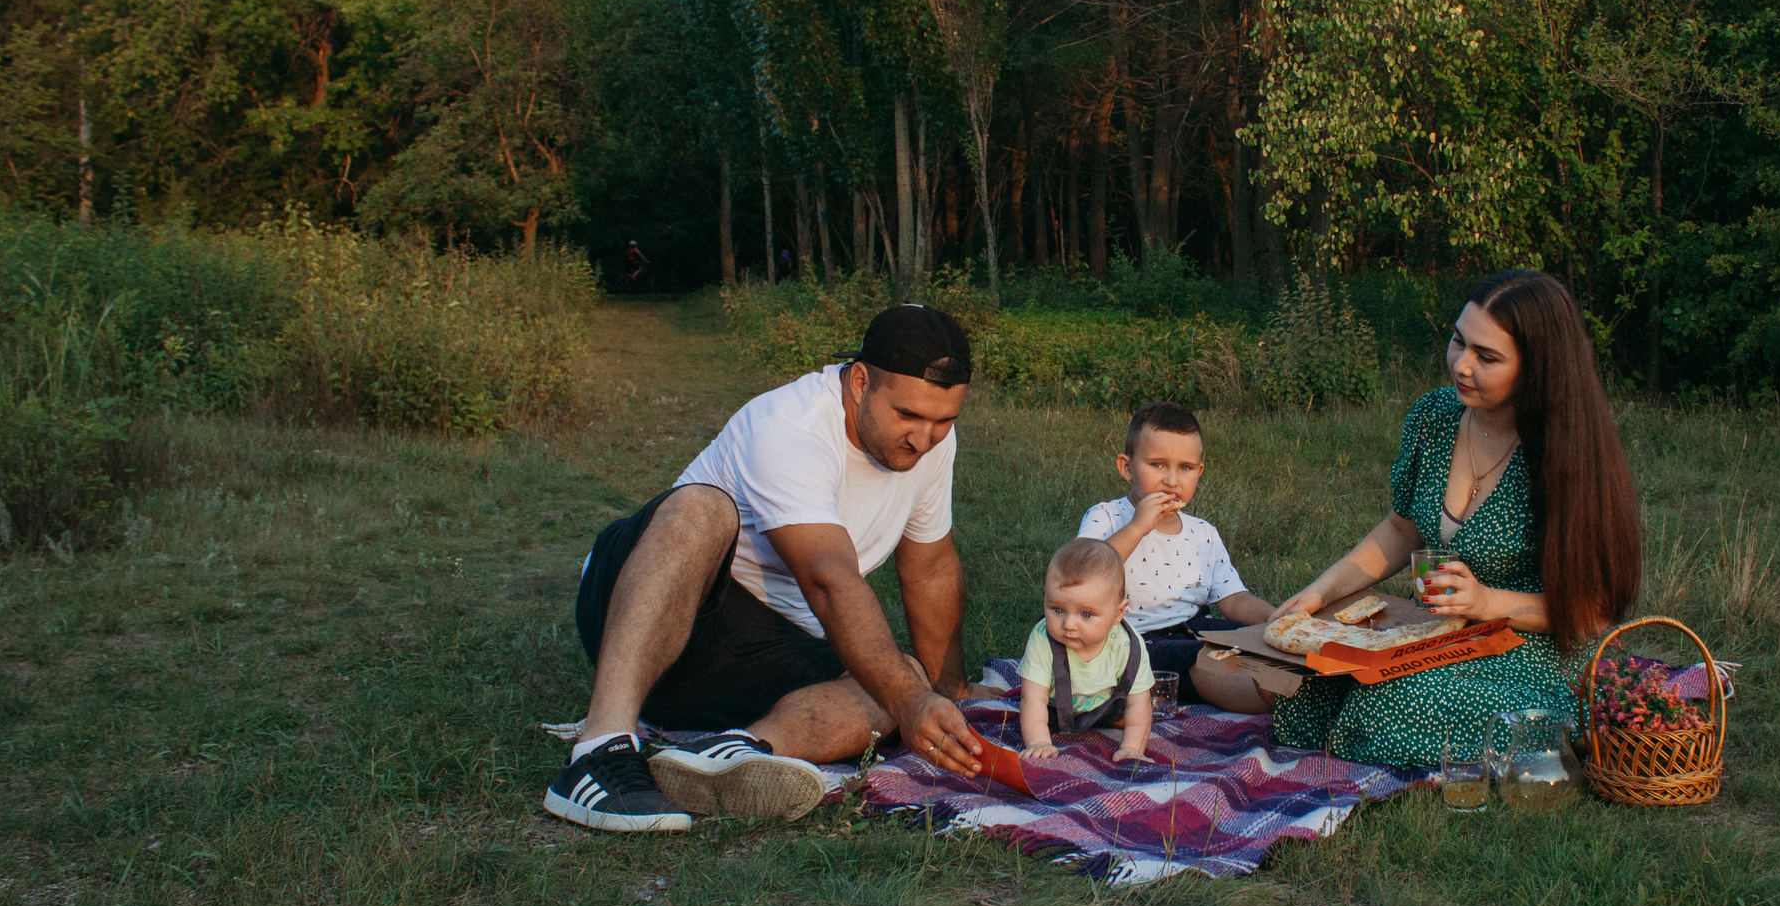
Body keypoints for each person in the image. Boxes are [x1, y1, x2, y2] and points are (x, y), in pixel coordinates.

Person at [546, 304, 992, 832]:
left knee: (900, 682)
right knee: (701, 508)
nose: (925, 438)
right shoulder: (789, 425)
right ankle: (599, 750)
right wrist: (914, 700)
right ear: (859, 380)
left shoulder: (933, 445)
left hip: (747, 653)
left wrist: (943, 691)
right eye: (909, 416)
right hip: (643, 604)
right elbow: (829, 578)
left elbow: (930, 566)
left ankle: (733, 754)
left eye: (944, 421)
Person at [1268, 271, 1643, 767]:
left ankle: (1551, 735)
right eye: (1458, 341)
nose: (1461, 365)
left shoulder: (1567, 453)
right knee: (1315, 686)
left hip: (1530, 650)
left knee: (1392, 698)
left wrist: (1487, 601)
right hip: (1437, 636)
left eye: (1486, 357)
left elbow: (1595, 610)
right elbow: (1401, 528)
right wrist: (1320, 592)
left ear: (1538, 368)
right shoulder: (1435, 417)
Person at [1074, 402, 1279, 714]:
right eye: (1157, 465)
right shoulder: (1107, 516)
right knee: (1205, 659)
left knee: (1253, 639)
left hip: (1194, 626)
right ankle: (1265, 699)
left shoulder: (1203, 533)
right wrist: (1138, 527)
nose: (1171, 480)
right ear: (1127, 467)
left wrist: (1277, 621)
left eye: (1184, 468)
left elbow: (1234, 599)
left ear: (1199, 472)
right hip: (1133, 639)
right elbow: (1082, 574)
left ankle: (1288, 680)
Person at [1017, 538, 1155, 761]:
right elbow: (1032, 699)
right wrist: (1039, 742)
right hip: (1054, 714)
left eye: (1086, 615)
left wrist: (1132, 748)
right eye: (1058, 610)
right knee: (1032, 703)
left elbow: (1139, 702)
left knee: (1136, 706)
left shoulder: (1127, 646)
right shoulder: (1043, 639)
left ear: (1118, 613)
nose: (1069, 625)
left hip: (1107, 711)